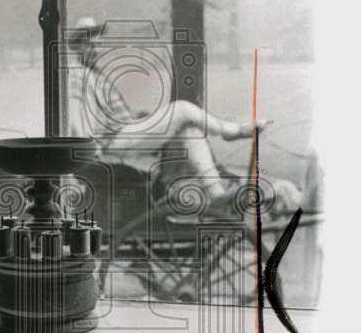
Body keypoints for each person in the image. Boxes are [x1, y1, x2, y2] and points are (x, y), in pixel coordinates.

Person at [68, 18, 301, 212]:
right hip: (113, 141)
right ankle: (232, 132)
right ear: (78, 46)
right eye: (89, 38)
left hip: (123, 132)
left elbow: (106, 113)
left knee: (189, 128)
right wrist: (87, 152)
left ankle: (216, 192)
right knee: (182, 109)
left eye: (97, 36)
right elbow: (76, 120)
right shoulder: (77, 75)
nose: (96, 43)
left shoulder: (92, 72)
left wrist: (139, 117)